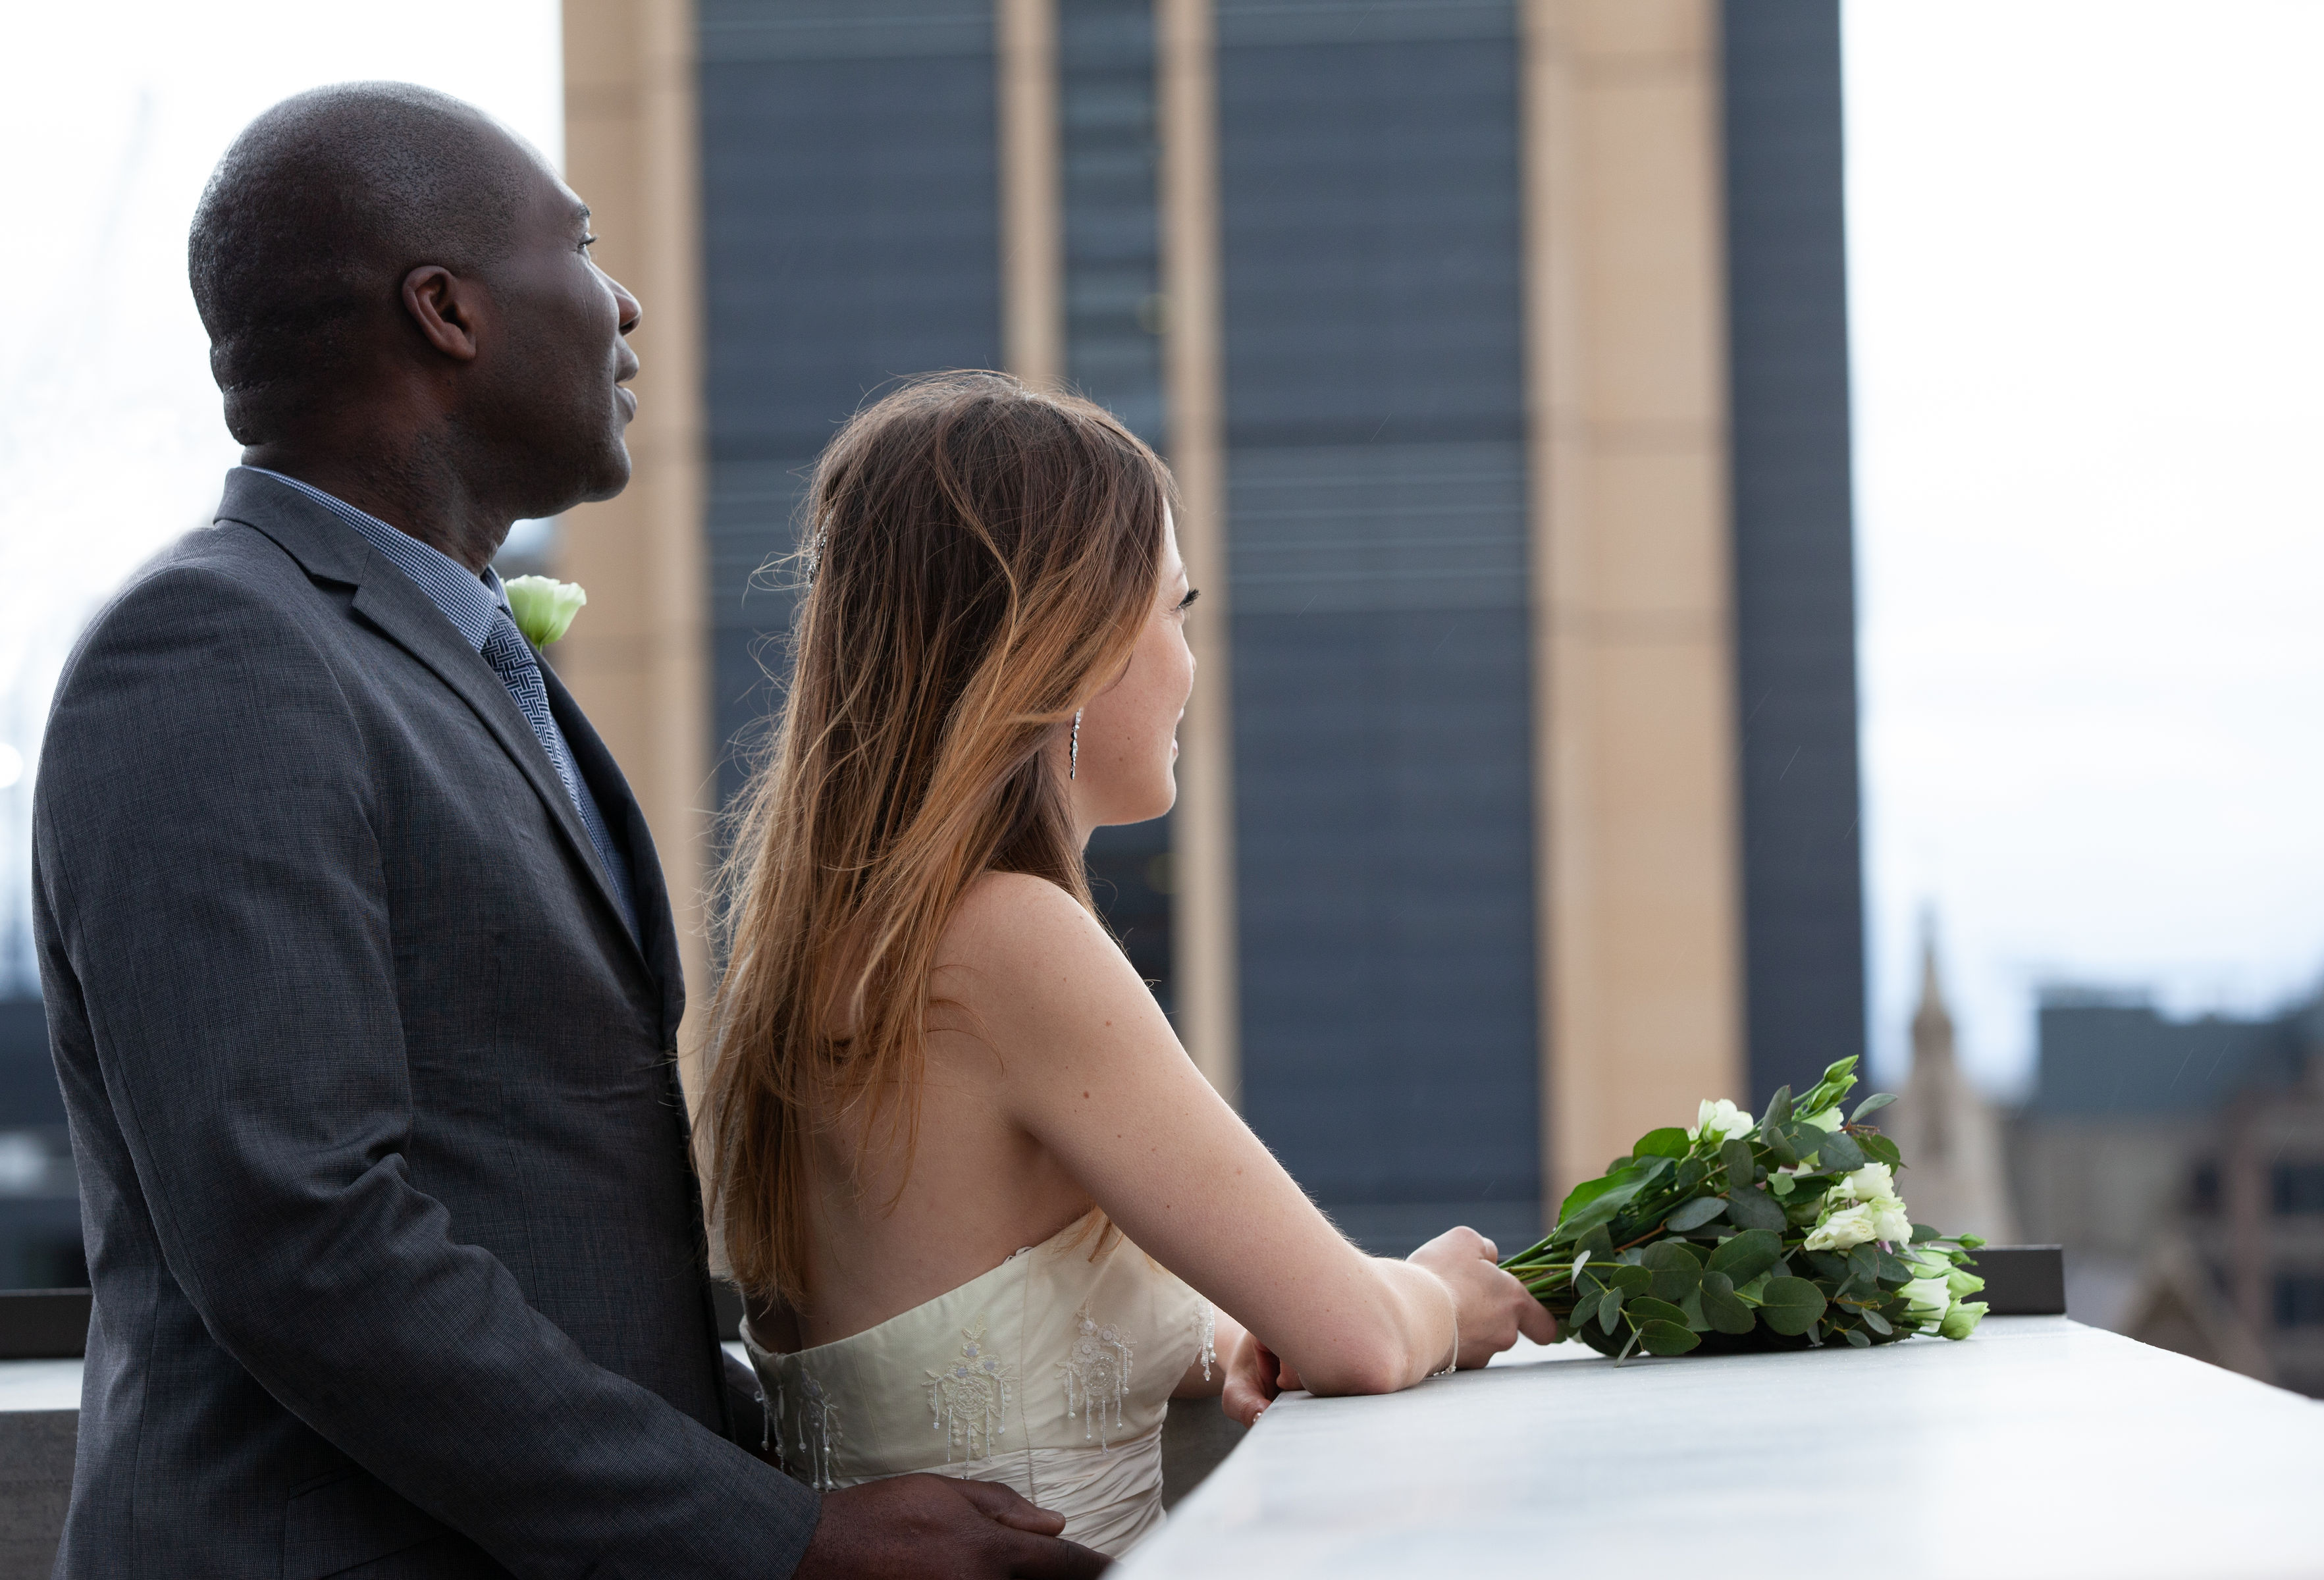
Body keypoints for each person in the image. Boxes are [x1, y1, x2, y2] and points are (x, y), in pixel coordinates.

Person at [31, 84, 1103, 1578]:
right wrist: (785, 1539)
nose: (627, 301)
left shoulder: (458, 666)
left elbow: (565, 1255)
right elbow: (304, 1241)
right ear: (446, 312)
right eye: (583, 249)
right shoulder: (218, 657)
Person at [706, 373, 1558, 1556]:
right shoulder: (1008, 940)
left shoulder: (838, 957)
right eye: (1177, 609)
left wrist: (1229, 1337)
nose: (1192, 664)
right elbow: (1362, 1337)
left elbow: (1000, 1299)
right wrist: (1445, 1299)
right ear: (1065, 643)